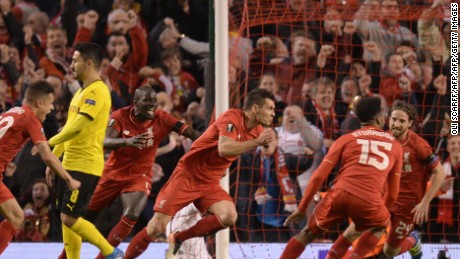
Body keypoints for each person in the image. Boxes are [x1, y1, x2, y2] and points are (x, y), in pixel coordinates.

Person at [124, 88, 277, 258]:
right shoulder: (231, 117)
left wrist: (270, 141)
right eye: (270, 108)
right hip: (188, 175)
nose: (273, 113)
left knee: (229, 215)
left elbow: (268, 147)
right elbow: (224, 148)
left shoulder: (257, 130)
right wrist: (257, 143)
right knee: (156, 227)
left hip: (209, 183)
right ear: (255, 108)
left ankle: (179, 238)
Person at [83, 86, 200, 259]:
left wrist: (212, 138)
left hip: (140, 175)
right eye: (148, 100)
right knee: (86, 218)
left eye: (154, 100)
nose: (153, 104)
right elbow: (105, 140)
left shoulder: (162, 118)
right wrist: (128, 141)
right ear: (135, 103)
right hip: (113, 173)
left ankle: (103, 257)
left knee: (132, 213)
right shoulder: (120, 116)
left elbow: (190, 132)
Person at [279, 96, 403, 259]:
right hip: (369, 200)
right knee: (380, 225)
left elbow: (319, 177)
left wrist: (302, 208)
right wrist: (378, 211)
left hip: (339, 194)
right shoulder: (395, 145)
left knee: (307, 233)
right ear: (380, 118)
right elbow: (393, 193)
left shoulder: (345, 139)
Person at [331, 100, 446, 259]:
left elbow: (440, 172)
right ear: (388, 119)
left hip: (407, 208)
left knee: (390, 251)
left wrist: (425, 203)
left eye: (402, 121)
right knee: (354, 232)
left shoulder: (419, 145)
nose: (396, 124)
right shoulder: (381, 140)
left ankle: (413, 240)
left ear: (410, 123)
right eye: (394, 119)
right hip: (384, 200)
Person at [47, 42, 123, 259]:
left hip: (85, 164)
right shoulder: (81, 92)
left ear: (88, 63)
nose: (71, 65)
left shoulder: (98, 91)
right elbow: (69, 126)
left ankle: (111, 253)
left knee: (70, 218)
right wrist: (54, 157)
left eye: (75, 60)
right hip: (69, 163)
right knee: (65, 217)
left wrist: (50, 142)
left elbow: (79, 125)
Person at [0, 80, 80, 255]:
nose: (52, 108)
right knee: (16, 217)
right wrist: (69, 179)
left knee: (15, 216)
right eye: (51, 103)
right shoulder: (31, 118)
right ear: (40, 103)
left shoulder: (14, 112)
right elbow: (48, 157)